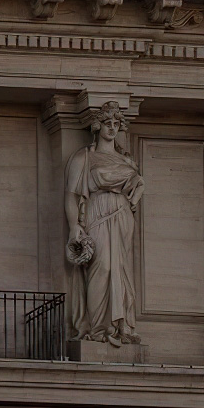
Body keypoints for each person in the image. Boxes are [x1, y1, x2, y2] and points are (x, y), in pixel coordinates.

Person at [64, 102, 142, 346]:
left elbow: (137, 187)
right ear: (97, 126)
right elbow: (72, 195)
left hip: (122, 215)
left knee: (121, 269)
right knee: (103, 268)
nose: (112, 128)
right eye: (107, 123)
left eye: (116, 124)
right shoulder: (84, 157)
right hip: (97, 213)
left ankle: (120, 327)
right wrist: (73, 226)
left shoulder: (127, 161)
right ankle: (98, 328)